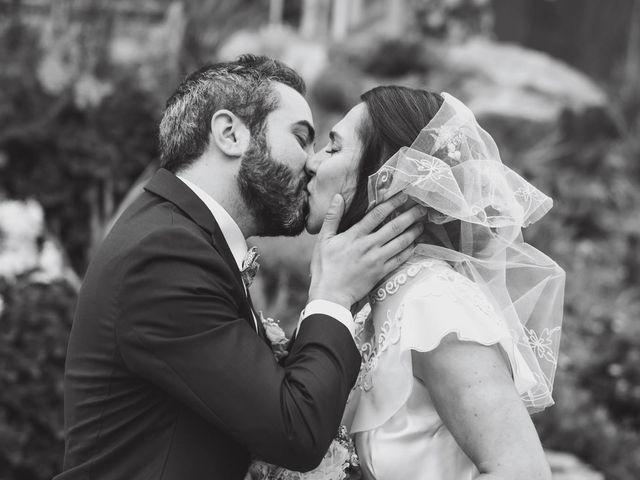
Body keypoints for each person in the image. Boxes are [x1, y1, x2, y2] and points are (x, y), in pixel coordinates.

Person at [54, 57, 426, 480]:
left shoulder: (180, 235)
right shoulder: (165, 254)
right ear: (230, 134)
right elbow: (295, 430)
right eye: (301, 138)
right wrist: (332, 298)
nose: (311, 162)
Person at [302, 86, 566, 480]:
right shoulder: (372, 305)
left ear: (390, 178)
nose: (312, 163)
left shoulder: (435, 306)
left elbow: (523, 472)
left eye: (333, 148)